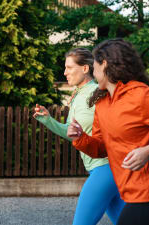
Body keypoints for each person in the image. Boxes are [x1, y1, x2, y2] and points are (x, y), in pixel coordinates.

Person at [67, 39, 149, 225]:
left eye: (94, 64)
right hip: (131, 194)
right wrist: (80, 138)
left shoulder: (141, 96)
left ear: (104, 64)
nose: (93, 69)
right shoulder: (103, 103)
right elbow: (101, 149)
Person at [33, 48, 125, 225]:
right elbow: (72, 133)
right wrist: (48, 120)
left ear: (85, 69)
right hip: (104, 169)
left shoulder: (95, 93)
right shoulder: (78, 95)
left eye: (69, 67)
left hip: (105, 168)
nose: (65, 72)